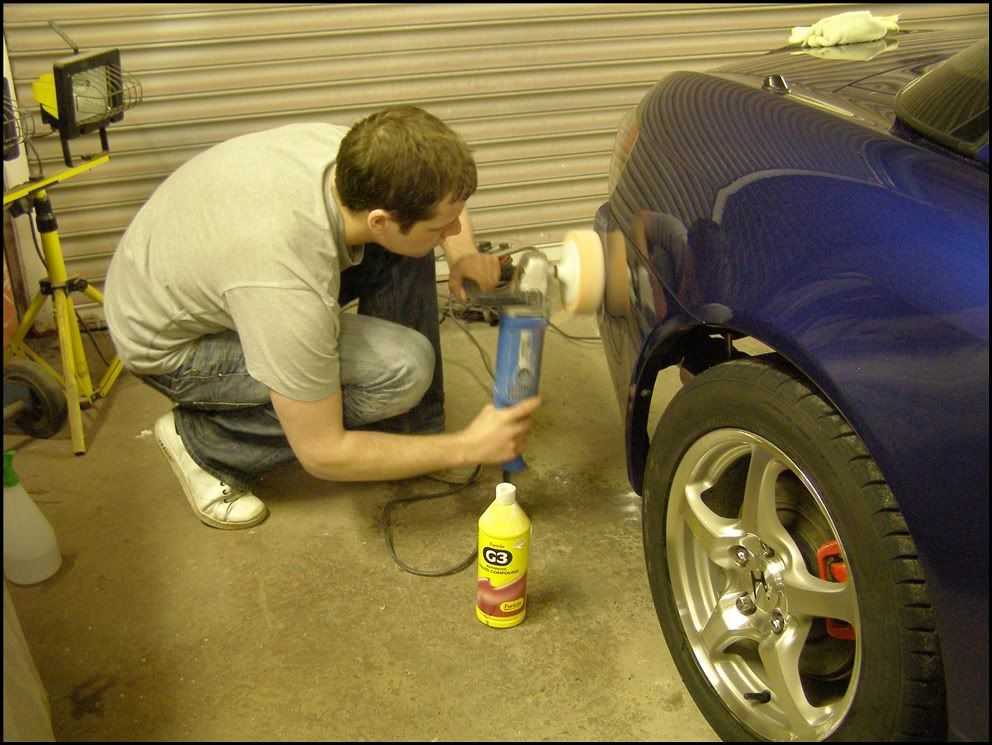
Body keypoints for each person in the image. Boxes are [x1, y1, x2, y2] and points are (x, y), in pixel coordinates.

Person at [103, 106, 541, 530]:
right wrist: (466, 447)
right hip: (174, 346)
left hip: (202, 276)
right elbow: (323, 453)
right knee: (403, 369)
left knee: (415, 244)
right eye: (443, 226)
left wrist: (462, 254)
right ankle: (204, 443)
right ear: (379, 221)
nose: (452, 230)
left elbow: (437, 198)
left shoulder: (362, 157)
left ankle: (411, 433)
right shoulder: (286, 282)